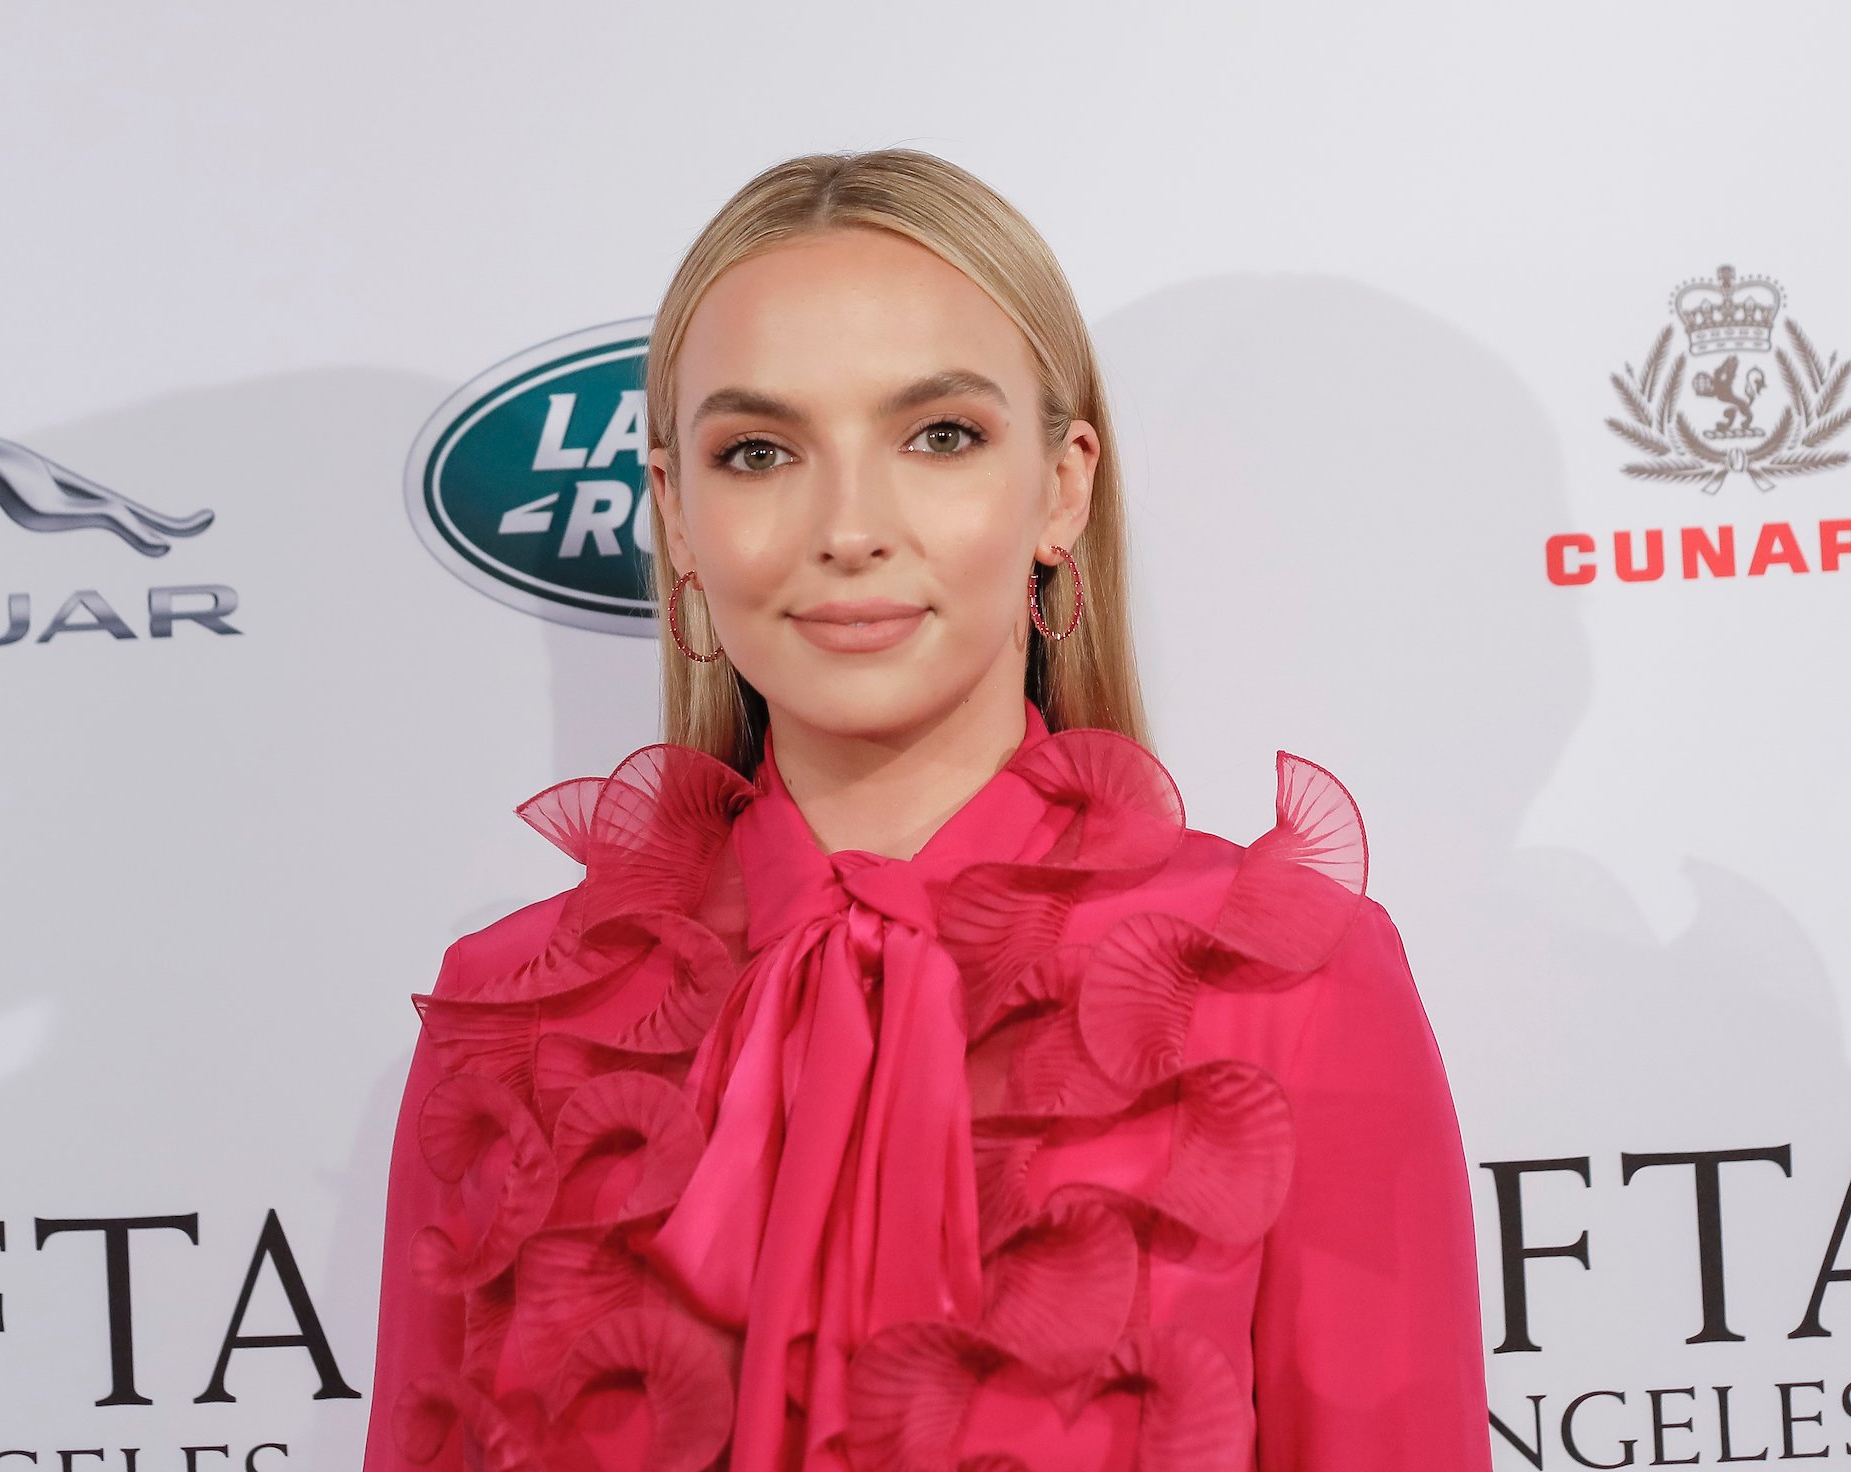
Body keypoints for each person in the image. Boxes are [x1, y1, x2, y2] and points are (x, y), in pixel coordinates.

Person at [362, 148, 1493, 1472]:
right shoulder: (518, 1020)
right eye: (759, 450)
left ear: (1062, 488)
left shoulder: (1286, 986)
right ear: (674, 512)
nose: (850, 525)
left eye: (938, 436)